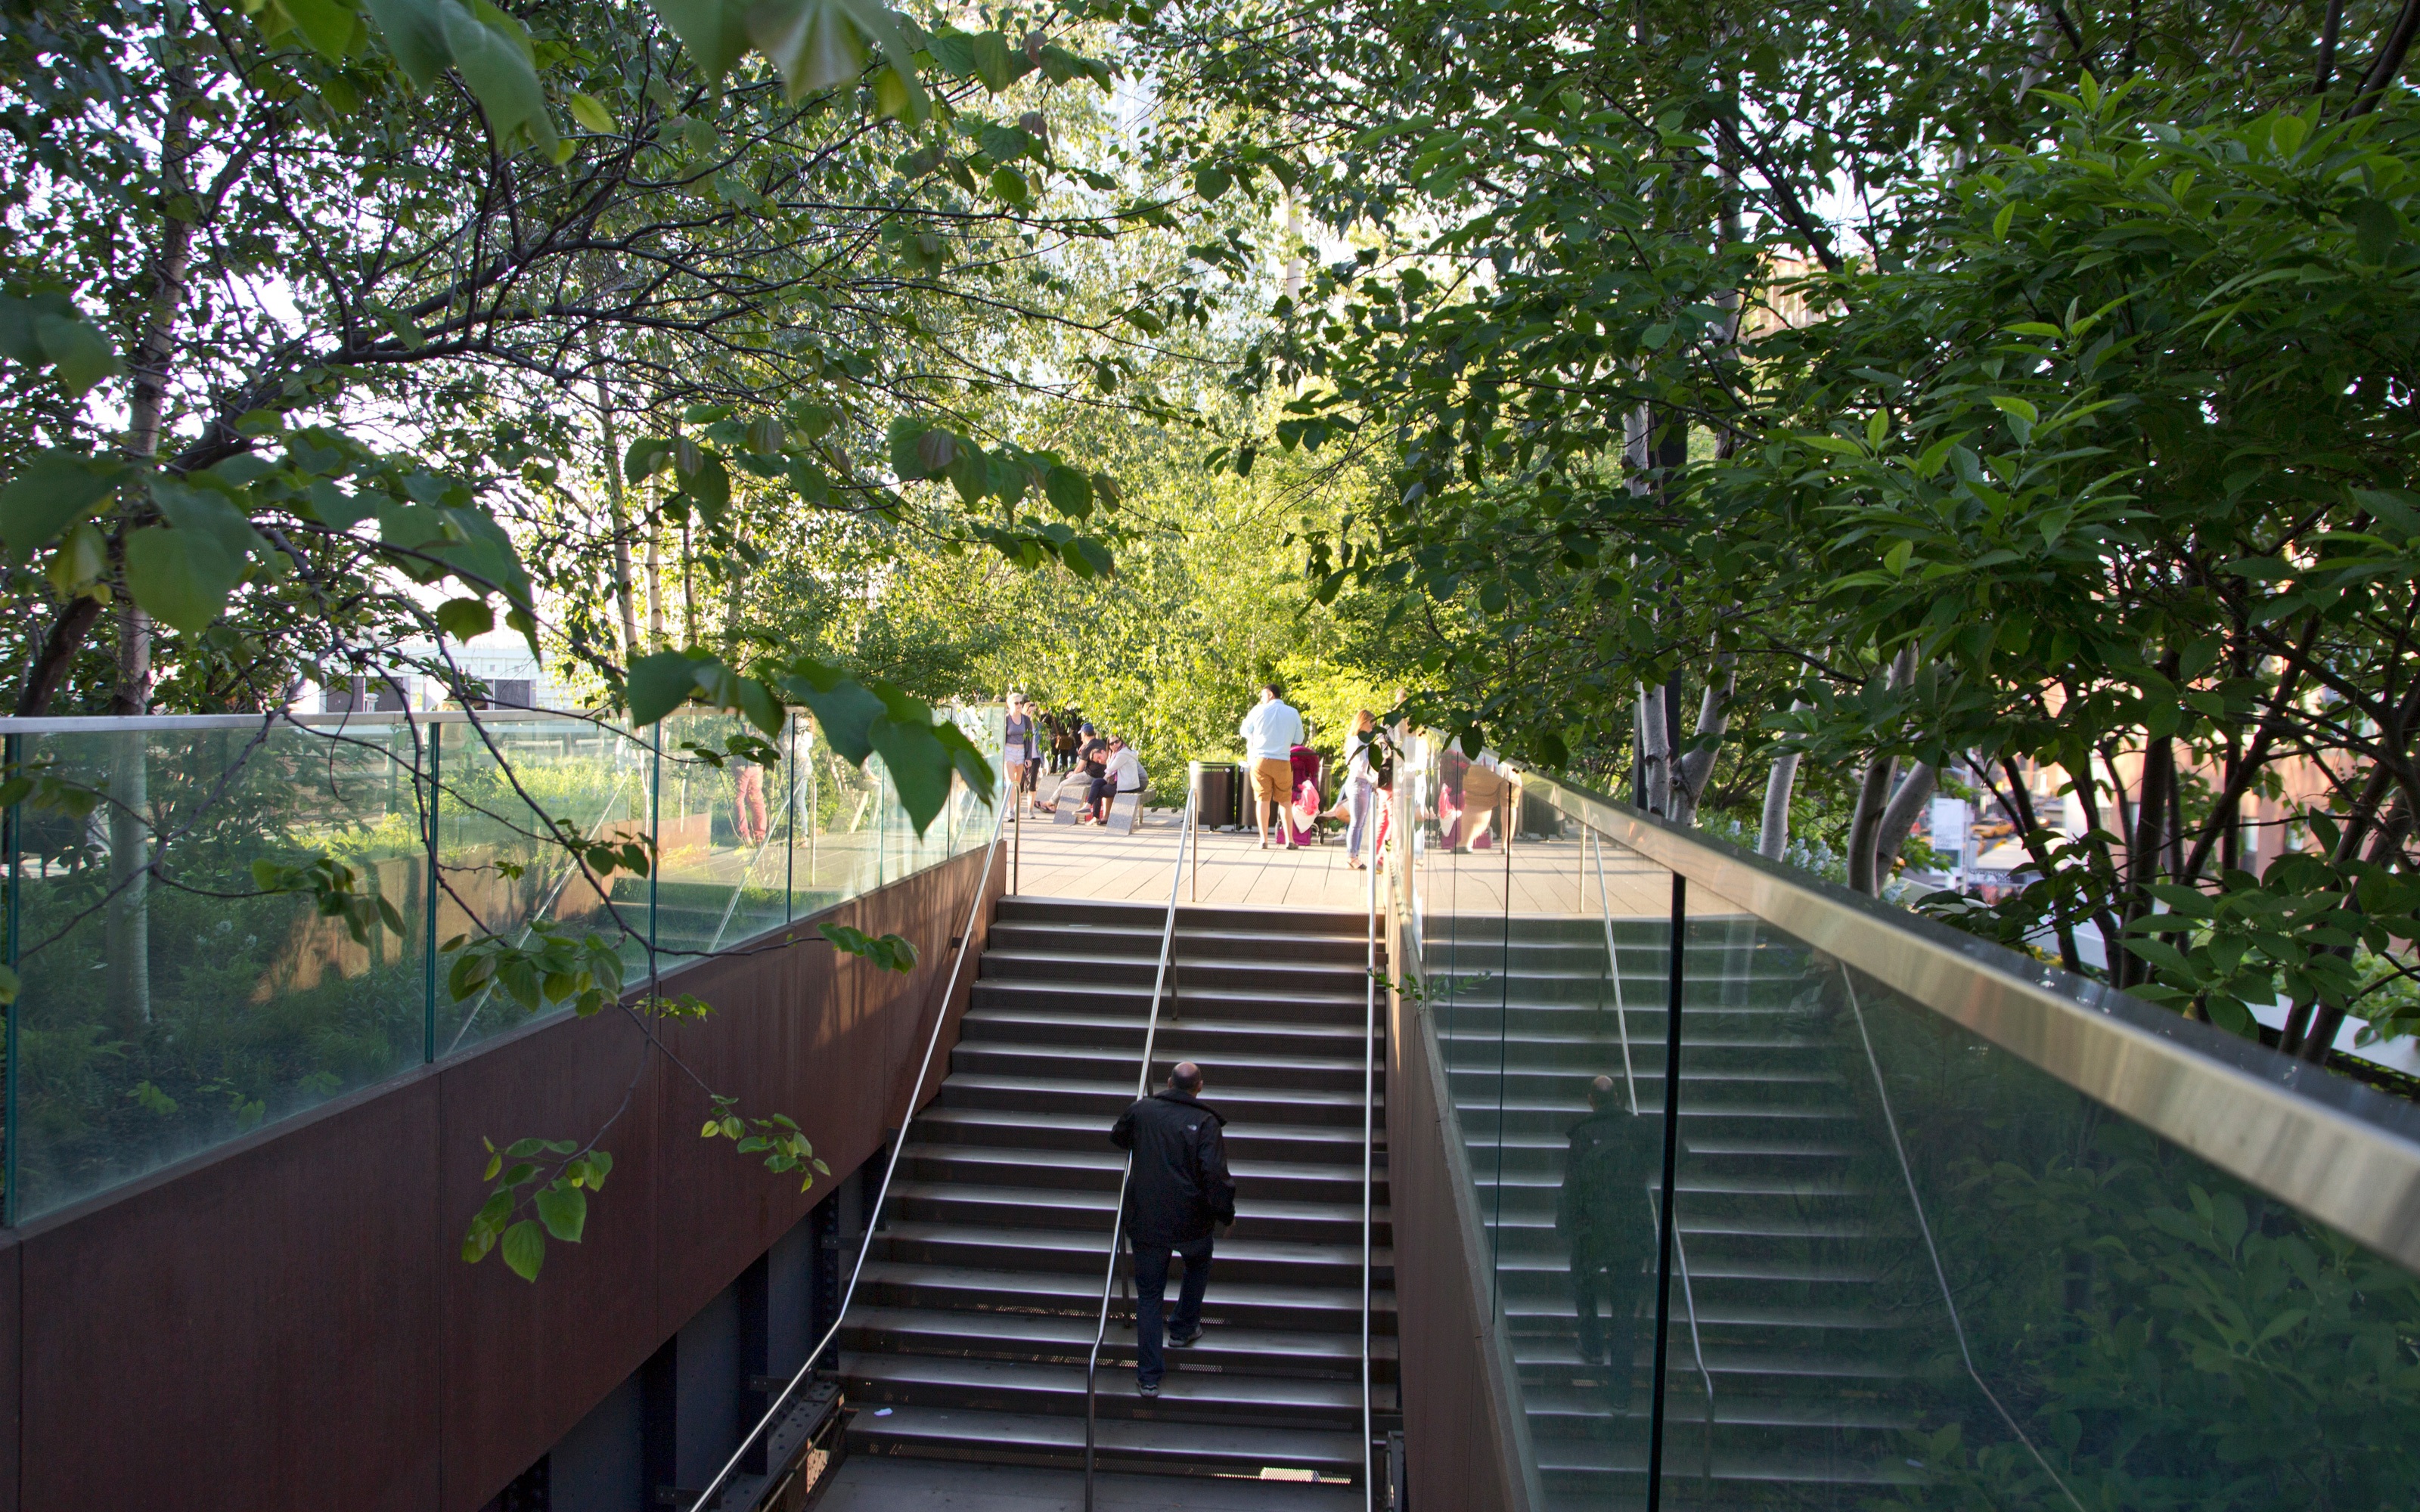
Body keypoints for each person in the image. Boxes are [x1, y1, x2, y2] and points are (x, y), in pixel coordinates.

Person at [1110, 1061, 1236, 1399]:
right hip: (1192, 1219)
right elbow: (1215, 1174)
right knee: (1199, 1262)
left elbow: (1118, 1136)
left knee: (1149, 1296)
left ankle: (1149, 1377)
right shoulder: (1206, 1123)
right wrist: (1226, 1213)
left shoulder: (1143, 1111)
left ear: (1168, 1082)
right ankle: (1182, 1327)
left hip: (1147, 1219)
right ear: (1200, 1087)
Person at [1558, 1074, 1661, 1384]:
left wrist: (1564, 1226)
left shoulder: (1584, 1135)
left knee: (1583, 1279)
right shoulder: (1638, 1128)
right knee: (1624, 1310)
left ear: (1591, 1100)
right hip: (1630, 1231)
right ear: (1617, 1099)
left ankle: (1591, 1343)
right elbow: (1678, 1152)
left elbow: (1571, 1188)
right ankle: (1620, 1390)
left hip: (1594, 1231)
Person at [1237, 684, 1305, 850]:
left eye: (1262, 696)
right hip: (1282, 761)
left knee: (1263, 799)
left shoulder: (1258, 710)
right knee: (1285, 801)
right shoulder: (1293, 712)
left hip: (1261, 761)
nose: (1261, 699)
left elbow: (1244, 730)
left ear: (1270, 694)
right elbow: (1300, 739)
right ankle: (1290, 840)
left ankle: (1264, 840)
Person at [1342, 709, 1383, 871]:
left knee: (1359, 822)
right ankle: (1352, 856)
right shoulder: (1358, 741)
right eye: (1371, 723)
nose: (1373, 727)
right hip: (1359, 782)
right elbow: (1362, 764)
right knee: (1357, 823)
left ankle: (1354, 855)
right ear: (1362, 722)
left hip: (1362, 782)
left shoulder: (1361, 741)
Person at [1091, 735, 1146, 823]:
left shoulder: (1122, 753)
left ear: (1121, 741)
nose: (1115, 745)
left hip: (1138, 782)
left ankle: (1097, 815)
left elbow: (1110, 769)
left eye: (1116, 742)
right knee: (1097, 784)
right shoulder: (1120, 752)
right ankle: (1093, 812)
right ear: (1109, 746)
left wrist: (1109, 760)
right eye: (1112, 744)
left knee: (1098, 790)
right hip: (1130, 782)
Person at [1002, 696, 1034, 802]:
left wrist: (1029, 757)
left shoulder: (1026, 720)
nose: (1019, 705)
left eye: (1021, 702)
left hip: (1021, 752)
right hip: (1009, 751)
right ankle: (1011, 811)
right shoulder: (1006, 719)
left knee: (1018, 783)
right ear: (1010, 704)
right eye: (1016, 703)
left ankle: (1016, 808)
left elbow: (1030, 739)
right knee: (1011, 782)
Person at [731, 761, 768, 847]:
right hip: (758, 764)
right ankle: (760, 837)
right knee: (757, 799)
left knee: (739, 798)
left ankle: (744, 836)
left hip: (743, 763)